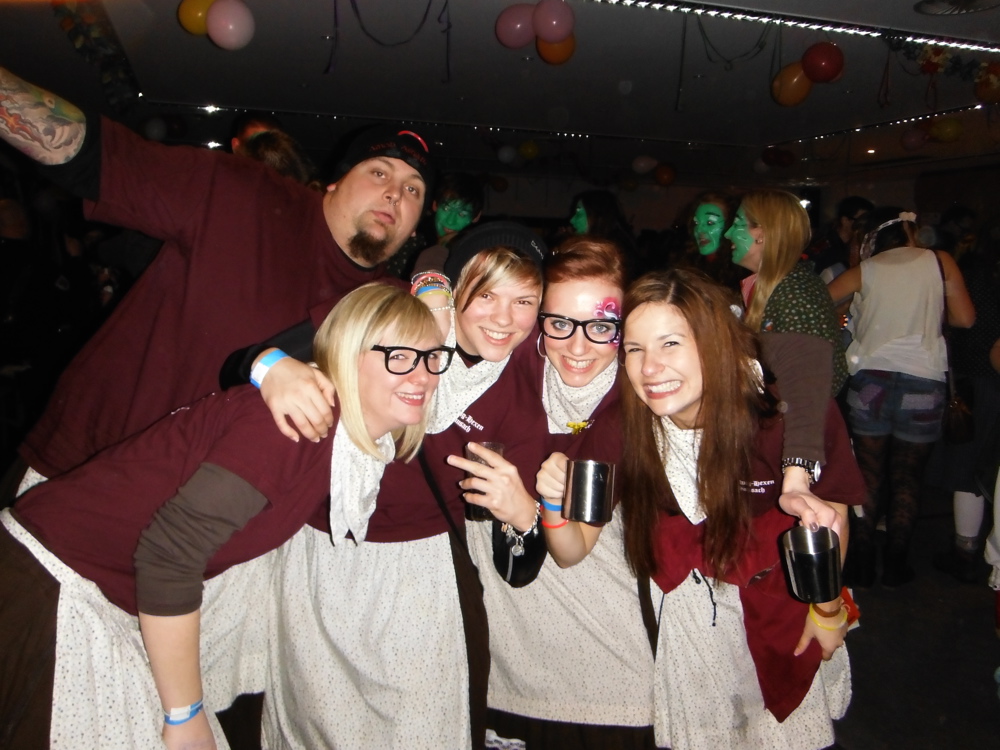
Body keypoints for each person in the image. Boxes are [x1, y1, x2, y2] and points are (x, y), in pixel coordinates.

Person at [0, 284, 450, 749]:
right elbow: (169, 555)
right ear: (348, 355)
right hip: (45, 582)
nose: (422, 376)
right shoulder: (294, 426)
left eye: (433, 356)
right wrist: (184, 714)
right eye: (400, 356)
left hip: (89, 590)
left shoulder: (344, 444)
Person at [0, 65, 433, 497]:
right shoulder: (242, 194)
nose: (395, 193)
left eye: (413, 189)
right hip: (80, 471)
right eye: (379, 172)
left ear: (416, 227)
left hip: (200, 521)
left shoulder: (385, 312)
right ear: (335, 182)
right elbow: (96, 155)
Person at [227, 222, 547, 749]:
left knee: (420, 727)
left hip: (423, 576)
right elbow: (243, 364)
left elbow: (519, 569)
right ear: (455, 287)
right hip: (322, 551)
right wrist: (275, 369)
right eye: (487, 294)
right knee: (314, 720)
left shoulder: (522, 388)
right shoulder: (394, 312)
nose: (504, 319)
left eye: (524, 302)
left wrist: (524, 516)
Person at [539, 268, 864, 750]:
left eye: (670, 343)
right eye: (635, 349)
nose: (650, 368)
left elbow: (831, 512)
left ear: (713, 344)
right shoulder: (623, 426)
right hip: (694, 626)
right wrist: (552, 502)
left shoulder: (783, 416)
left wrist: (829, 609)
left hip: (786, 602)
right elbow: (571, 551)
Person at [828, 207, 975, 587]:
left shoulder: (866, 269)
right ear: (910, 230)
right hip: (922, 383)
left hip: (870, 381)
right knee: (908, 478)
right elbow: (964, 318)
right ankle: (896, 563)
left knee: (869, 474)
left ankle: (860, 562)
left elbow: (823, 304)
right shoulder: (939, 261)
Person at [726, 188, 848, 395]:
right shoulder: (774, 285)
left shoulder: (794, 293)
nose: (728, 233)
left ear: (762, 234)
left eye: (737, 224)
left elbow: (809, 382)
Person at [803, 195, 873, 280]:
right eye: (860, 221)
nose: (865, 226)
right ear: (845, 220)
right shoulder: (823, 247)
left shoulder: (858, 244)